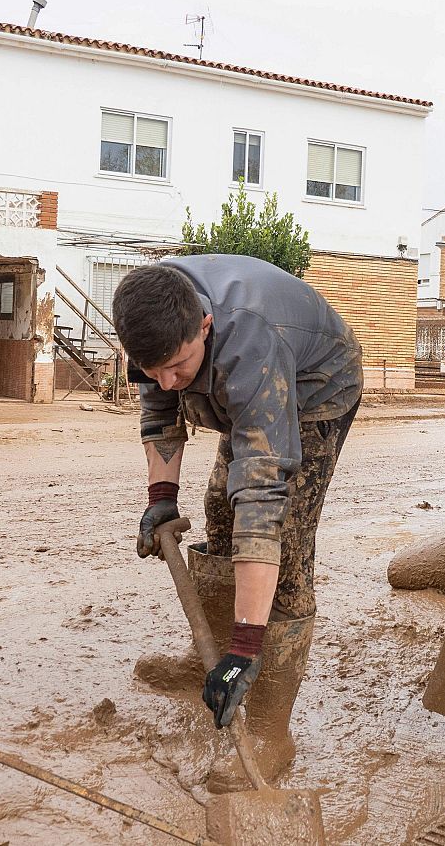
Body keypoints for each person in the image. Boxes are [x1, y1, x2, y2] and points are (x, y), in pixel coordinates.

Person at [114, 254, 362, 792]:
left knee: (286, 547)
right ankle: (210, 651)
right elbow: (159, 412)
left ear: (204, 326)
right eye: (151, 369)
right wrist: (161, 496)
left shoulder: (250, 341)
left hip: (317, 388)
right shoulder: (155, 316)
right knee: (219, 511)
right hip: (241, 386)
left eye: (177, 367)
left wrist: (248, 645)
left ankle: (272, 730)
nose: (165, 381)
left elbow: (262, 499)